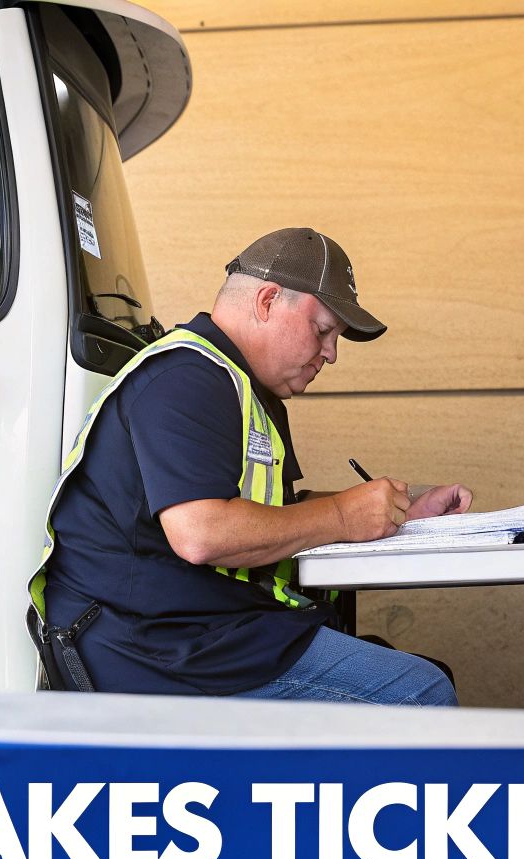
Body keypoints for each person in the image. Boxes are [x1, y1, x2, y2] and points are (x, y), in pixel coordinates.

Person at [28, 227, 496, 706]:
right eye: (323, 330)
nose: (331, 354)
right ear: (268, 300)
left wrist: (401, 512)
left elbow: (274, 514)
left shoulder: (243, 387)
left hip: (205, 636)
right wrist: (341, 516)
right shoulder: (185, 378)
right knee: (421, 693)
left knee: (425, 675)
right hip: (158, 651)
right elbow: (202, 532)